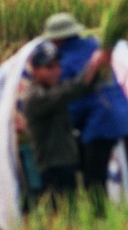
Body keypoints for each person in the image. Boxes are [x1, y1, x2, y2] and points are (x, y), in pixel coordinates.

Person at [41, 12, 128, 214]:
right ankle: (98, 213)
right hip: (119, 112)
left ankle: (99, 219)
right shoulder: (92, 46)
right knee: (90, 167)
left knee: (94, 179)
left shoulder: (68, 62)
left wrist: (63, 125)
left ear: (58, 38)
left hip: (101, 120)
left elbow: (75, 102)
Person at [22, 40, 111, 209]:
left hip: (65, 161)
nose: (56, 71)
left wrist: (100, 67)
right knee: (63, 212)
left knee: (70, 209)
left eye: (57, 66)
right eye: (49, 68)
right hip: (53, 165)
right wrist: (93, 64)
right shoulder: (35, 97)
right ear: (35, 70)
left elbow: (79, 88)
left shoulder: (51, 88)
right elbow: (72, 90)